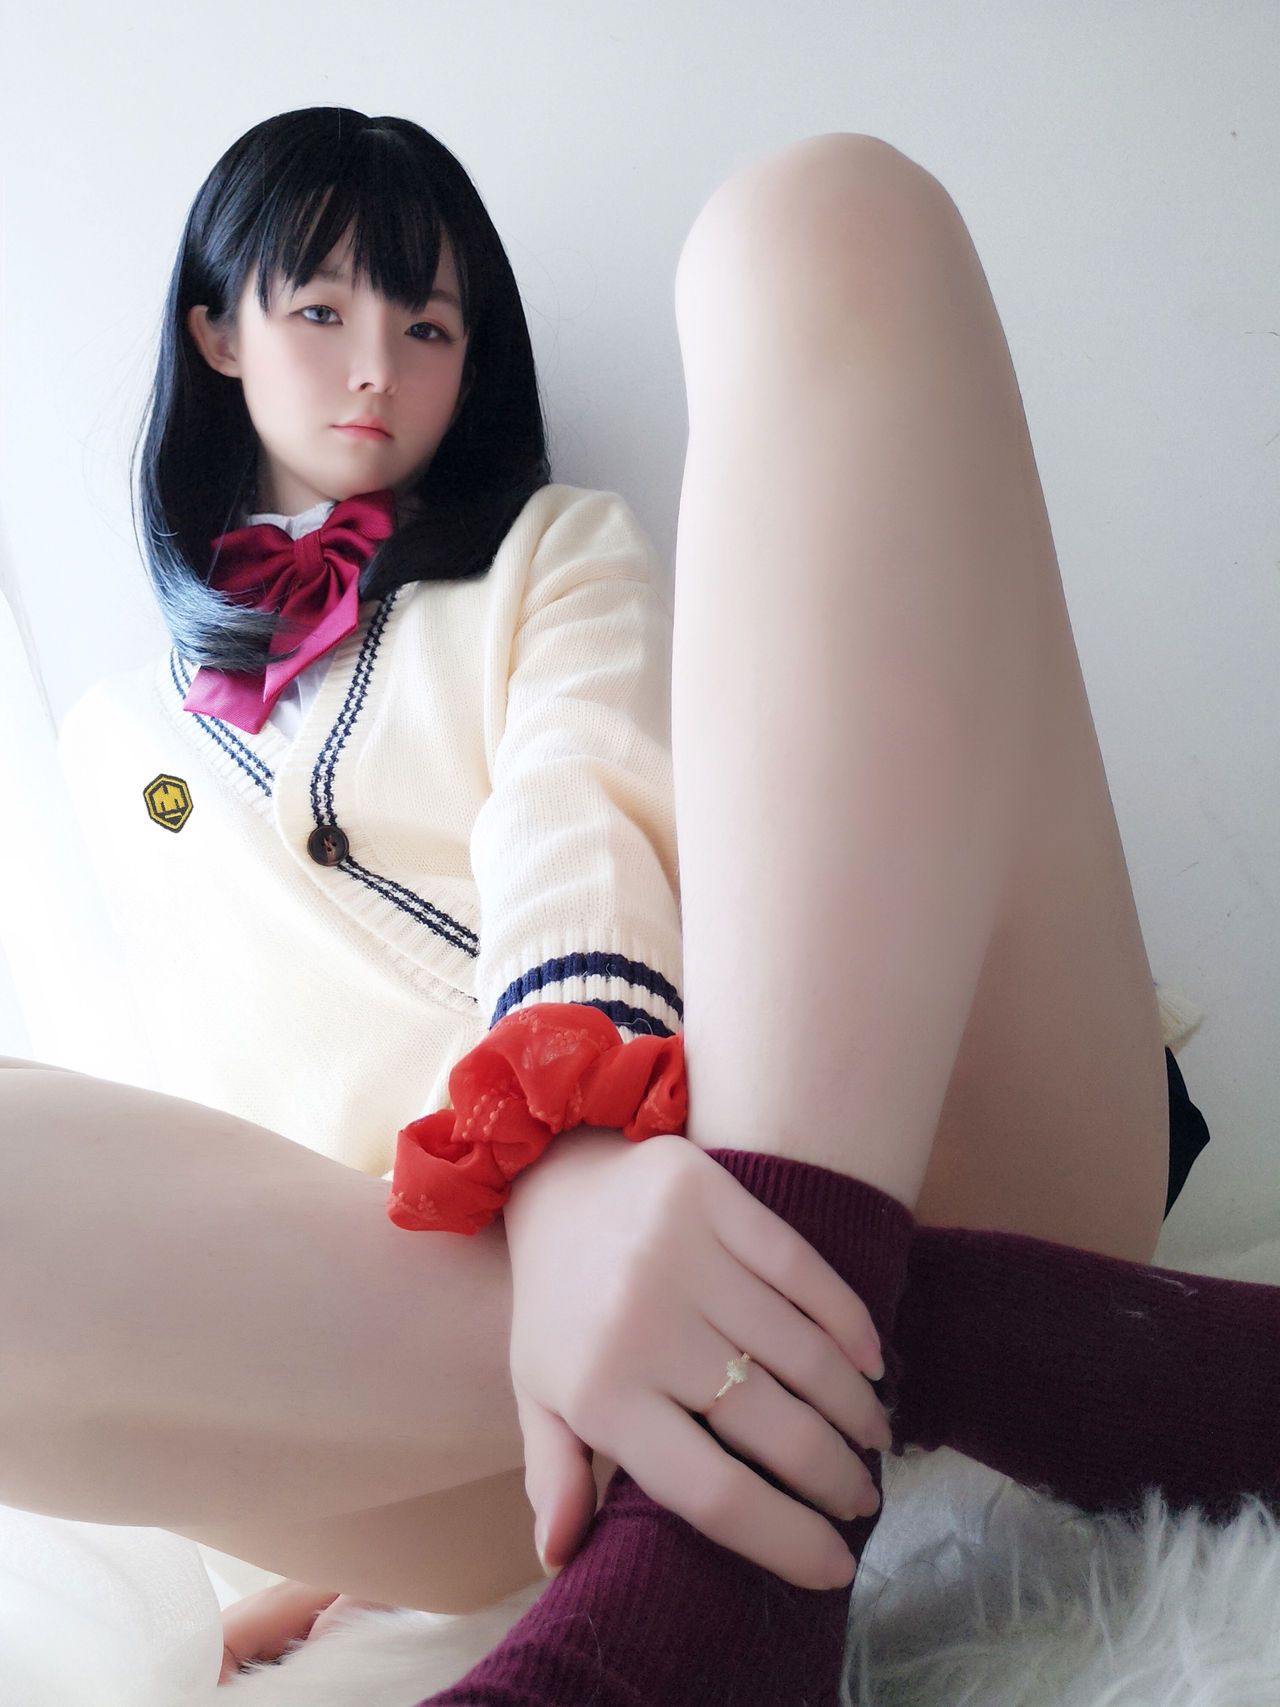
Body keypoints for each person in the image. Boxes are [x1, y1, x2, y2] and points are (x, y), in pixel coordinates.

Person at [4, 115, 1269, 1707]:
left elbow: (580, 811)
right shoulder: (111, 741)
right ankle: (980, 1330)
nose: (377, 365)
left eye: (428, 325)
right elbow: (215, 1074)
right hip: (472, 1421)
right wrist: (294, 1459)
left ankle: (742, 1473)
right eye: (320, 310)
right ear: (214, 331)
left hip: (876, 1129)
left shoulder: (548, 550)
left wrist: (571, 1153)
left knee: (824, 220)